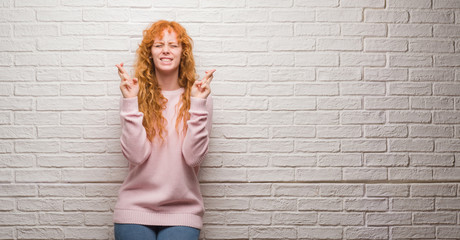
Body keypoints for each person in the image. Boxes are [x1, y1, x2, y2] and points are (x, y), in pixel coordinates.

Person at [113, 20, 215, 240]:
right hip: (135, 208)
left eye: (173, 45)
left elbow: (193, 158)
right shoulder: (134, 95)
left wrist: (198, 105)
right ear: (149, 53)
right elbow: (136, 155)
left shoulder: (199, 98)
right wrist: (130, 102)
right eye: (159, 45)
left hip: (183, 210)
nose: (166, 50)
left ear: (183, 53)